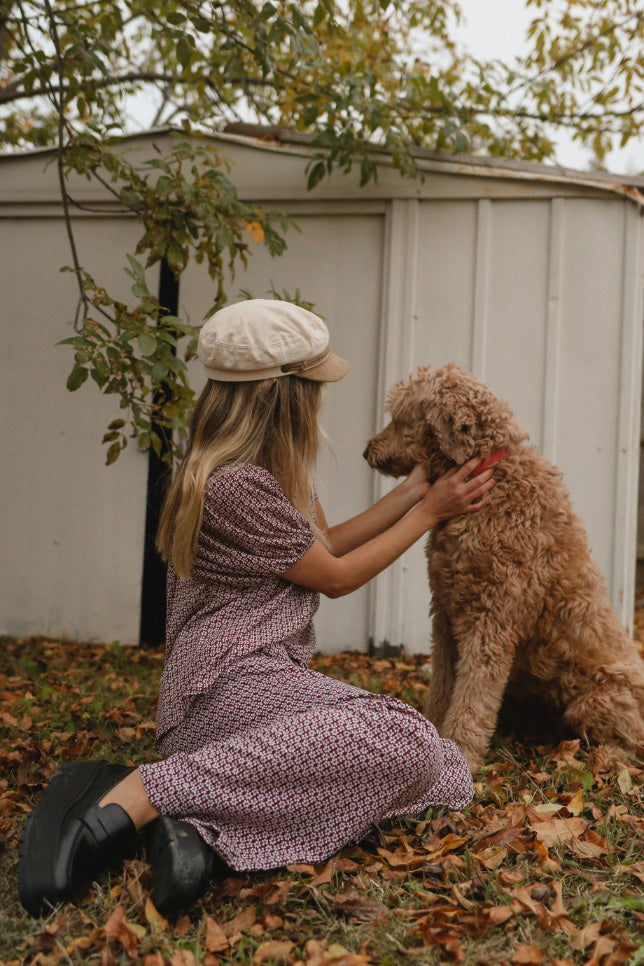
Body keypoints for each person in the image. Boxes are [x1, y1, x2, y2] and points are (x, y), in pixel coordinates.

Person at [18, 299, 495, 917]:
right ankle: (141, 790)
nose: (322, 399)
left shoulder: (280, 470)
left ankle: (206, 832)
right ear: (282, 394)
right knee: (404, 741)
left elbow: (326, 546)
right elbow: (337, 577)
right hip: (221, 688)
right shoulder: (233, 483)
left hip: (269, 680)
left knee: (444, 771)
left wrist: (412, 489)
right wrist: (432, 512)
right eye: (315, 386)